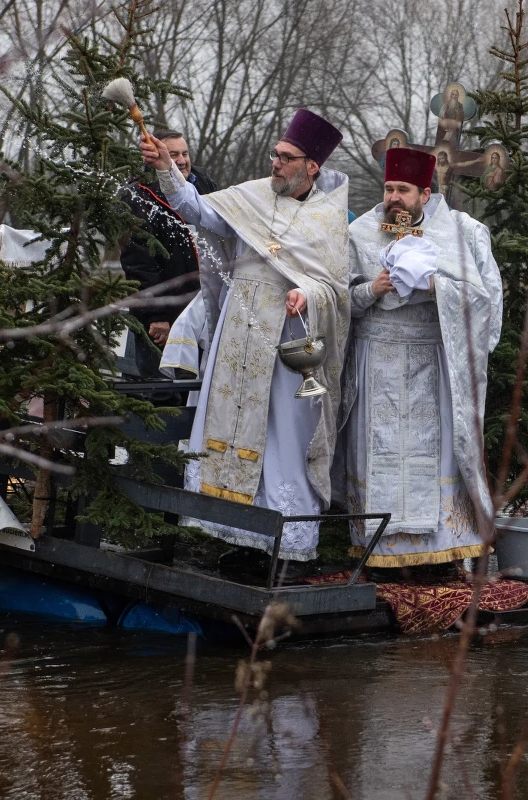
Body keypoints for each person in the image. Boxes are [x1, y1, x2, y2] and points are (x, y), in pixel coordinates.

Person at [140, 108, 350, 564]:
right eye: (275, 154)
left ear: (312, 166)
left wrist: (307, 293)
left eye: (287, 157)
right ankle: (240, 537)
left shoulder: (328, 219)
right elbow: (197, 209)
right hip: (238, 338)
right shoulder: (252, 197)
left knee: (281, 447)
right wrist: (167, 170)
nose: (275, 163)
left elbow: (336, 289)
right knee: (232, 436)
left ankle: (285, 548)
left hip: (288, 349)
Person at [338, 147, 502, 570]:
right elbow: (339, 302)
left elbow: (486, 302)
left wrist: (436, 287)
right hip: (375, 365)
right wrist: (369, 291)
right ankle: (379, 553)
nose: (394, 197)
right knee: (377, 454)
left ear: (425, 193)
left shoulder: (461, 234)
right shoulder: (359, 235)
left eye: (404, 190)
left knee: (437, 455)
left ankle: (443, 555)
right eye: (389, 188)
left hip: (433, 365)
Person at [120, 129, 217, 378]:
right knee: (162, 391)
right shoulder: (139, 197)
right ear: (155, 157)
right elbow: (139, 264)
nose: (183, 160)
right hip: (163, 317)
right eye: (173, 154)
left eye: (185, 153)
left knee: (198, 387)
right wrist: (157, 315)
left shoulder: (203, 185)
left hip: (202, 311)